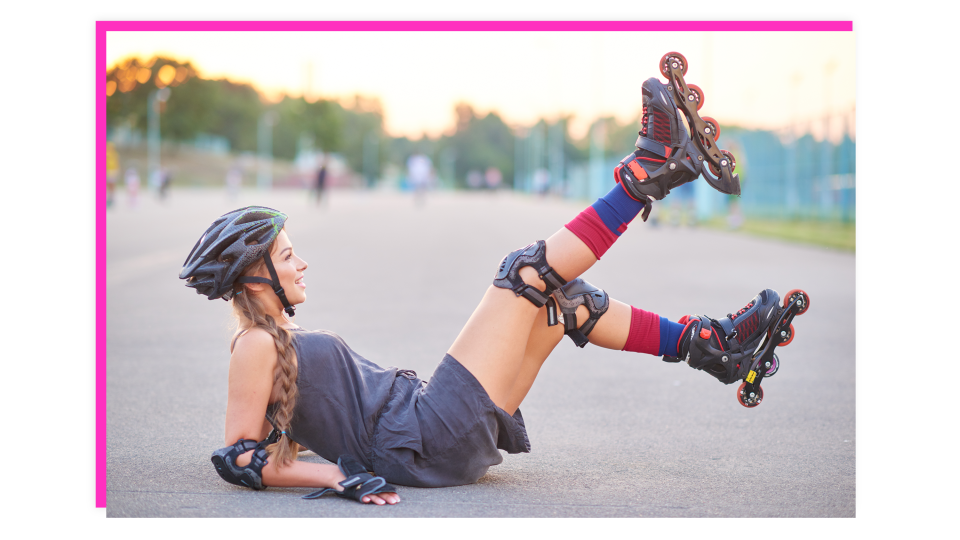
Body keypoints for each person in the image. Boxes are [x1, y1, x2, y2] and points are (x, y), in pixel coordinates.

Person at [179, 78, 789, 506]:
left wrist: (335, 461)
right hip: (423, 434)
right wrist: (340, 476)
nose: (302, 263)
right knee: (525, 271)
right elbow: (238, 456)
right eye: (287, 257)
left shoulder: (273, 344)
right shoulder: (255, 345)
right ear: (253, 275)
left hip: (428, 433)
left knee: (562, 301)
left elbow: (265, 444)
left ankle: (711, 346)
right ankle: (645, 174)